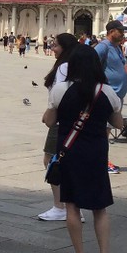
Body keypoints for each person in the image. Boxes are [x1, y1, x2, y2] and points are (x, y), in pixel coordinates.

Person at [42, 45, 124, 253]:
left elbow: (49, 121)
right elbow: (118, 124)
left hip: (70, 152)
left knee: (72, 206)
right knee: (100, 208)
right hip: (96, 153)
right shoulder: (107, 91)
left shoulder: (60, 89)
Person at [38, 33, 80, 221]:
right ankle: (73, 207)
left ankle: (60, 206)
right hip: (72, 119)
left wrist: (50, 111)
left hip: (60, 119)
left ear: (65, 47)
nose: (52, 48)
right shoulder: (75, 65)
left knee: (51, 160)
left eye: (55, 46)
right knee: (67, 162)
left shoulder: (63, 66)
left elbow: (61, 92)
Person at [94, 20, 127, 105]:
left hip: (117, 96)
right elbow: (91, 66)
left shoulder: (116, 47)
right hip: (108, 94)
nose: (123, 34)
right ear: (111, 31)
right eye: (120, 31)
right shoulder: (103, 47)